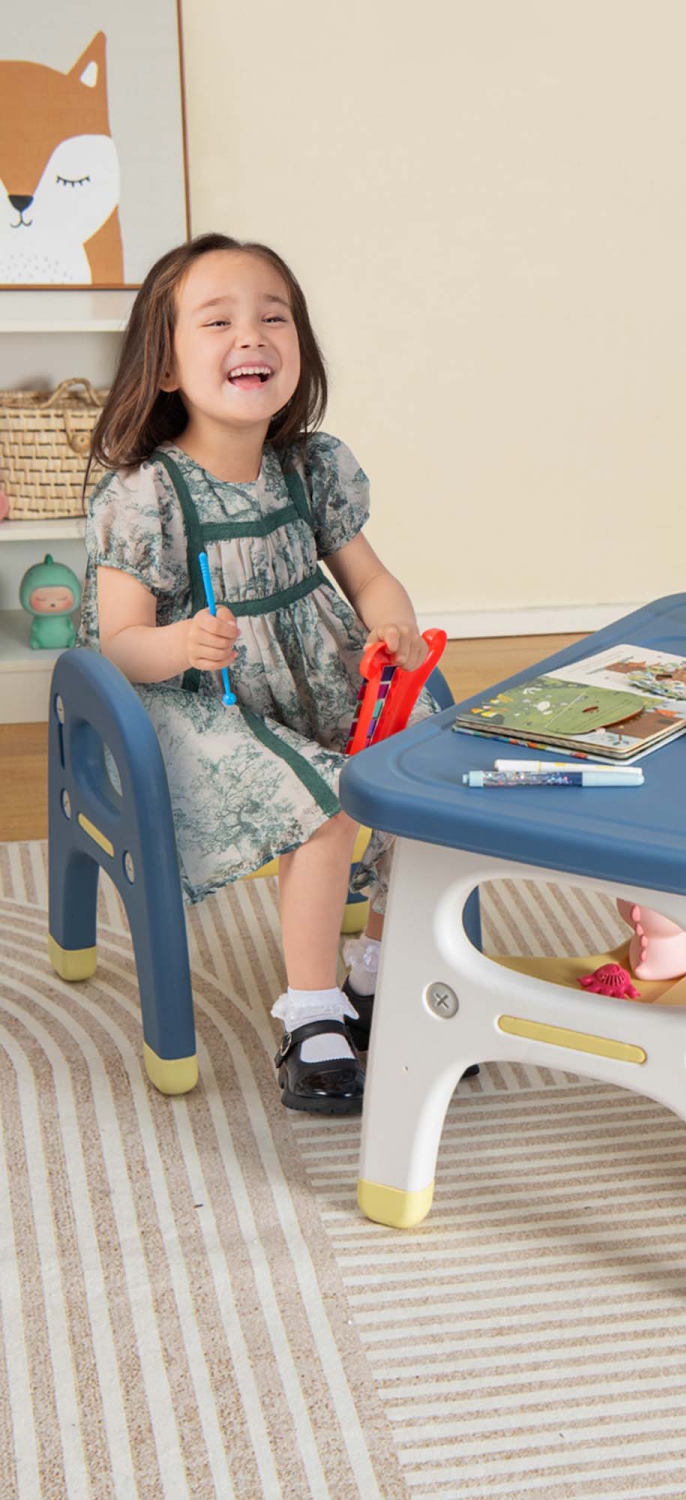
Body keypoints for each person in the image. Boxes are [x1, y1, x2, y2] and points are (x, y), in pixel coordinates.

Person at [83, 233, 430, 1114]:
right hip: (196, 704)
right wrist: (182, 642)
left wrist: (393, 623)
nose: (252, 337)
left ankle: (382, 971)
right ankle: (313, 1014)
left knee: (424, 767)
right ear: (164, 366)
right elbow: (117, 641)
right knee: (323, 806)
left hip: (311, 675)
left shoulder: (311, 468)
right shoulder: (145, 493)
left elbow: (371, 578)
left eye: (274, 317)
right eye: (219, 321)